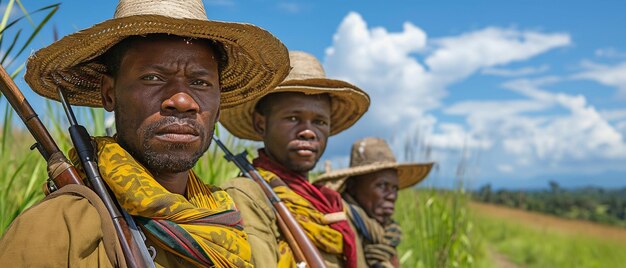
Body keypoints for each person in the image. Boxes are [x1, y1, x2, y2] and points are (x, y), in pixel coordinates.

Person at [0, 0, 290, 267]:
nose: (183, 102)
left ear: (218, 104)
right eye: (153, 78)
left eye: (200, 82)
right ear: (109, 93)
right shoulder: (58, 229)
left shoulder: (226, 216)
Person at [220, 51, 370, 268]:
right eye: (293, 118)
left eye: (319, 122)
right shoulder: (246, 195)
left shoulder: (333, 206)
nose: (308, 132)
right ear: (261, 124)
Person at [315, 137, 434, 267]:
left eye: (395, 188)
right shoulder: (337, 223)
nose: (392, 196)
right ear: (352, 186)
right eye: (382, 185)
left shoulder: (386, 234)